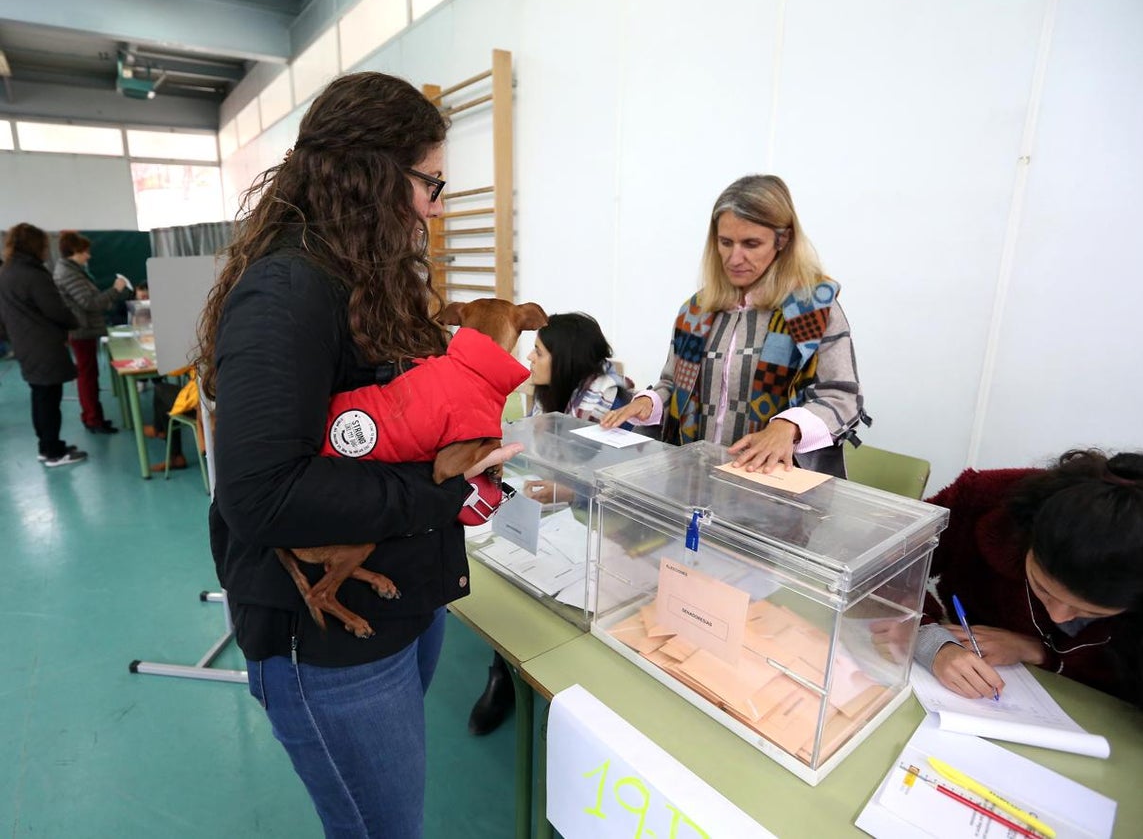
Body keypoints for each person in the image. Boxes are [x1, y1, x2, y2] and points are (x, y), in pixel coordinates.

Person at [196, 72, 519, 837]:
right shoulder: (288, 292)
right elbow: (261, 496)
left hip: (398, 600)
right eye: (430, 183)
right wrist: (439, 492)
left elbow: (377, 426)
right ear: (373, 175)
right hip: (326, 643)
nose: (437, 208)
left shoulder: (361, 279)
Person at [601, 174, 867, 477]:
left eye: (751, 244)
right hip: (696, 478)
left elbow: (842, 397)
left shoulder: (813, 308)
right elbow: (674, 385)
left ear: (784, 240)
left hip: (775, 488)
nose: (734, 257)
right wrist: (650, 402)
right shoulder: (698, 309)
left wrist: (789, 426)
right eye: (725, 242)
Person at [468, 312, 635, 735]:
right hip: (559, 515)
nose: (529, 357)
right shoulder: (550, 394)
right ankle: (502, 670)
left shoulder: (614, 408)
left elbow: (628, 491)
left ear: (565, 359)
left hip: (609, 531)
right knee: (512, 570)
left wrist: (570, 493)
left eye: (539, 352)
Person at [916, 449, 1143, 710]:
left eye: (1089, 612)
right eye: (1042, 588)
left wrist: (1042, 652)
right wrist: (930, 640)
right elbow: (883, 569)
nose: (1059, 616)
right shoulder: (986, 499)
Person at [0, 223, 88, 467]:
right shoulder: (33, 273)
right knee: (49, 399)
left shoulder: (8, 271)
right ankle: (53, 452)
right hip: (43, 345)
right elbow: (55, 309)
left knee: (41, 397)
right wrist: (73, 321)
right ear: (34, 245)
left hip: (25, 343)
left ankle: (47, 446)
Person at [53, 231, 130, 434]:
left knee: (89, 375)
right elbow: (89, 302)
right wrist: (115, 289)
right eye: (85, 251)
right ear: (73, 251)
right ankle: (93, 419)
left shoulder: (71, 270)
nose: (88, 256)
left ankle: (93, 416)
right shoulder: (68, 273)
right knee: (87, 377)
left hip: (84, 330)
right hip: (81, 331)